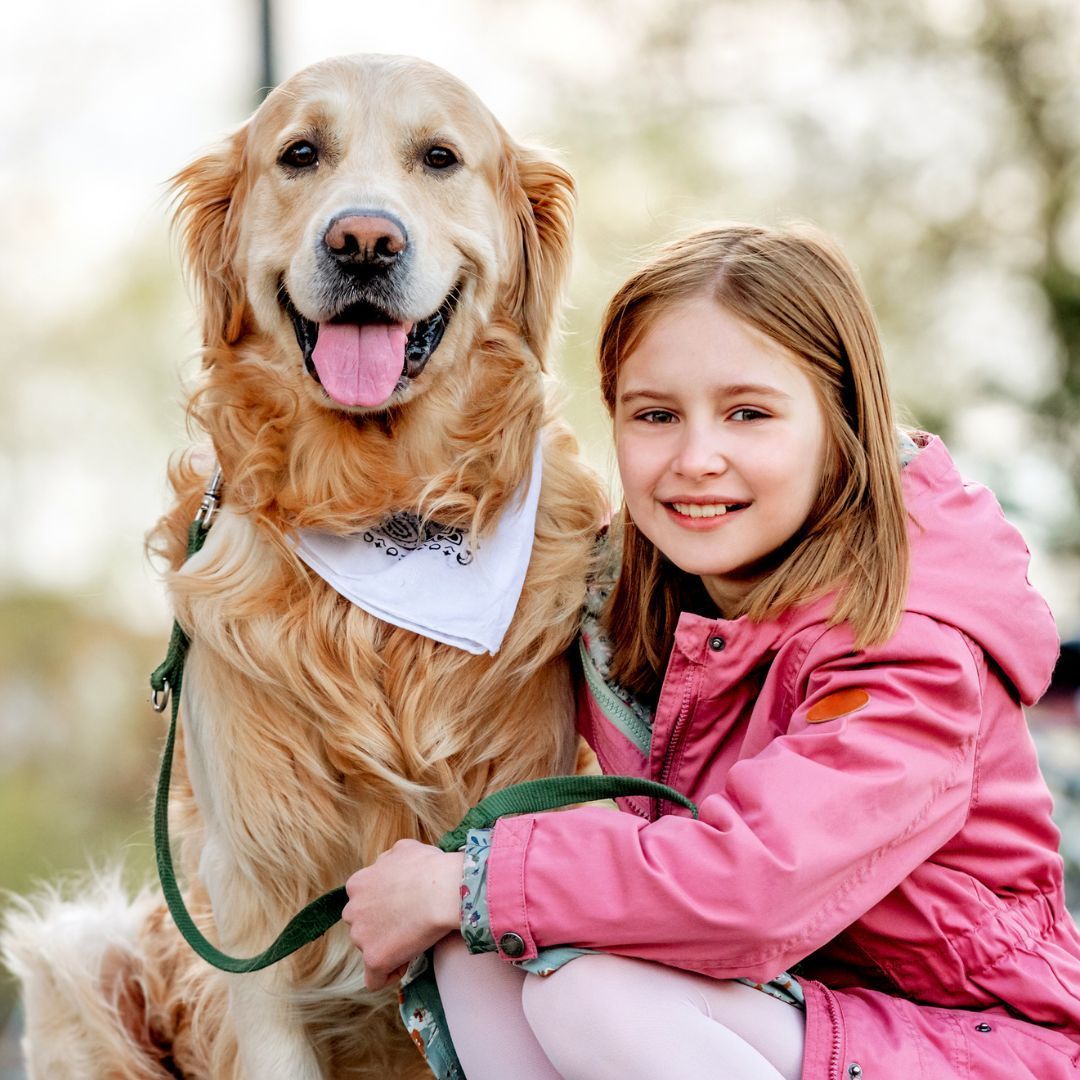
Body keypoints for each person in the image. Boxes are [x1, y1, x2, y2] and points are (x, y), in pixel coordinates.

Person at [342, 223, 1080, 1078]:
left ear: (842, 423)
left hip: (975, 1043)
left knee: (580, 985)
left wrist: (465, 882)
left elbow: (757, 886)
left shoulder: (910, 642)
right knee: (477, 954)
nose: (697, 459)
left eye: (748, 414)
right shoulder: (634, 600)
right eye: (655, 415)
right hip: (785, 1009)